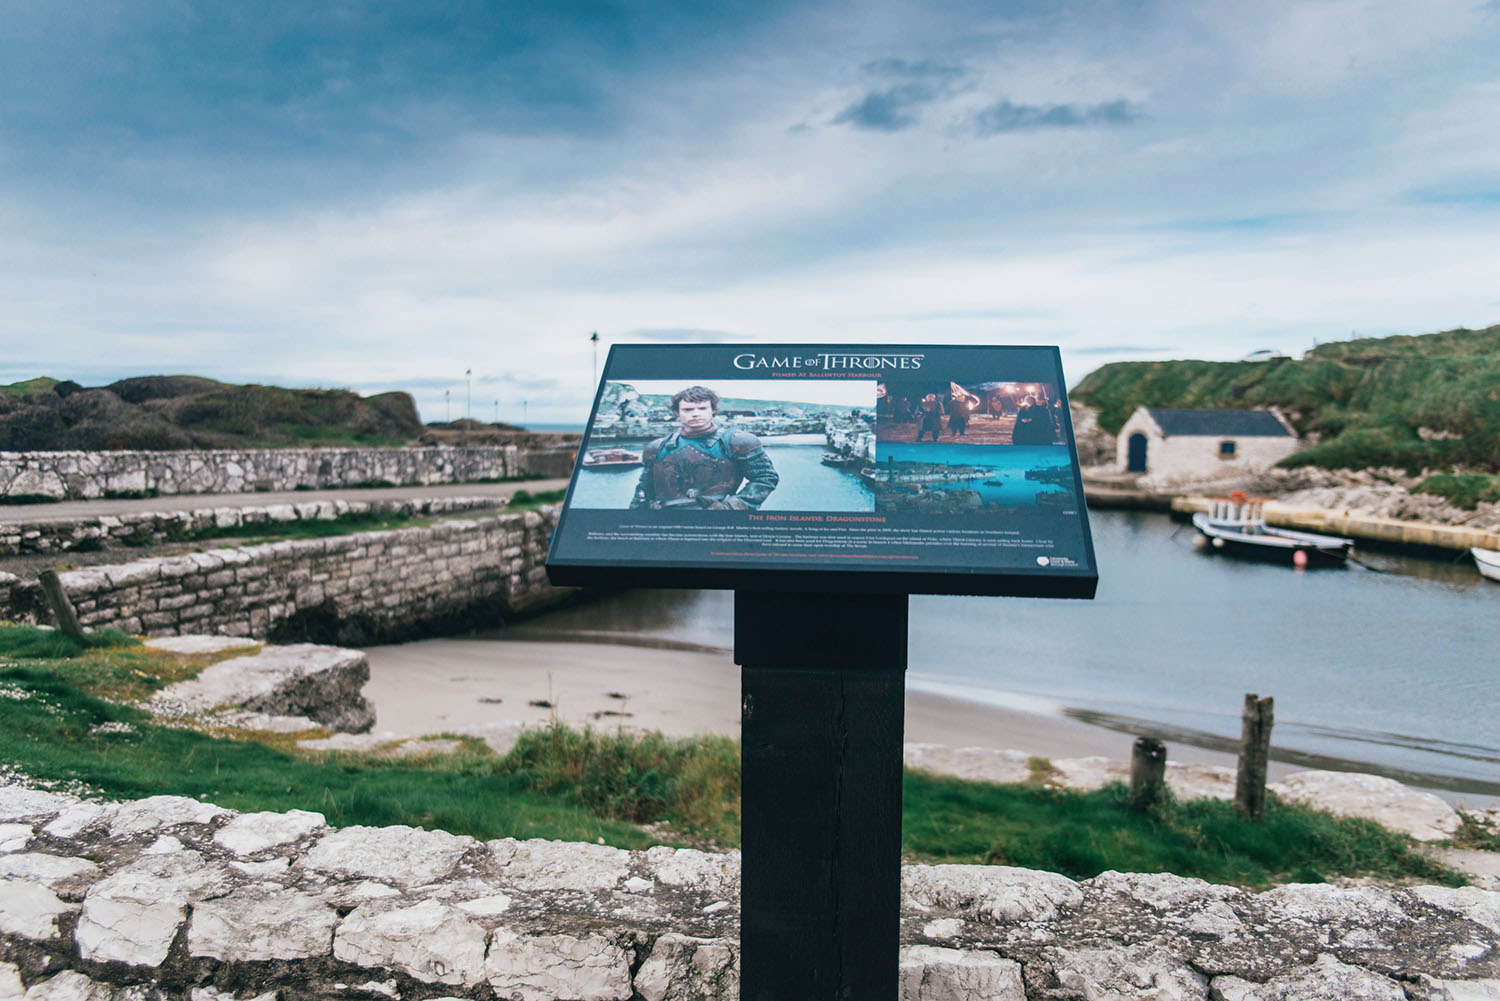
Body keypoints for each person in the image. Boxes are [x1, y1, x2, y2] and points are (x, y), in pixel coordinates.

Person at [630, 386, 779, 510]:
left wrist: (731, 506)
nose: (695, 414)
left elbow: (765, 478)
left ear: (713, 410)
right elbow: (643, 491)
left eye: (702, 408)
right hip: (666, 521)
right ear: (677, 413)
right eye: (688, 410)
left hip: (718, 521)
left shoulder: (738, 441)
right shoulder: (657, 448)